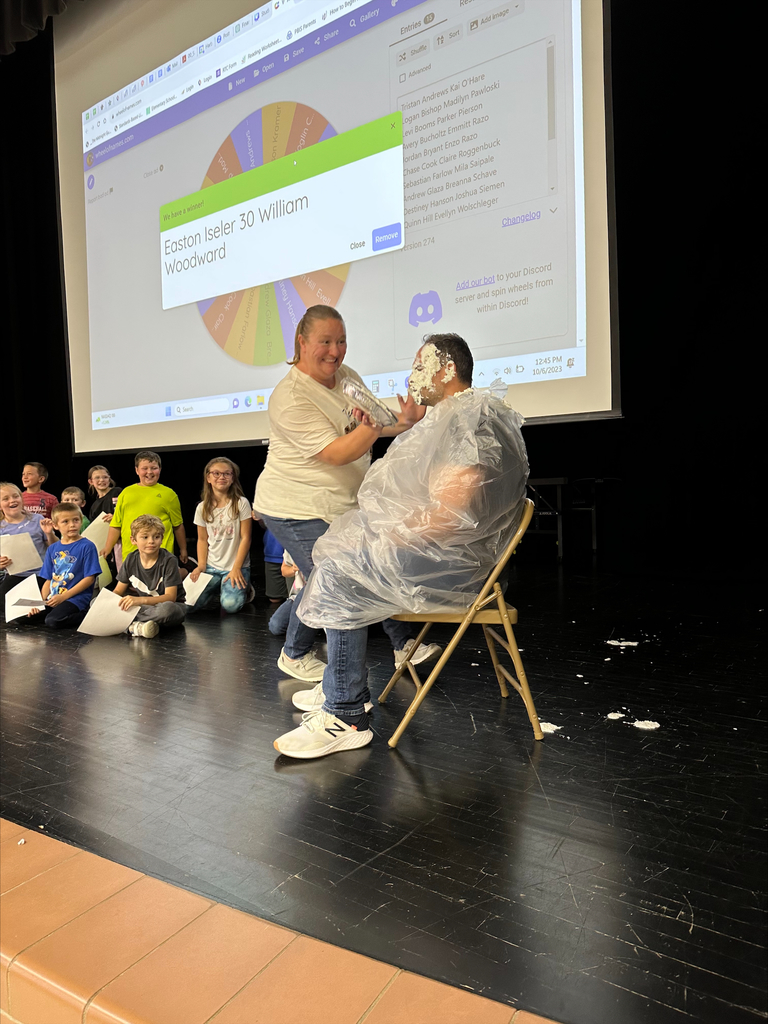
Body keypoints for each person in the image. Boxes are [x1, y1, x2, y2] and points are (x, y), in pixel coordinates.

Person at [273, 334, 530, 758]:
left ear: (446, 370)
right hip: (453, 556)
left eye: (418, 365)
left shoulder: (471, 423)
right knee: (341, 555)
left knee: (342, 569)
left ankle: (346, 713)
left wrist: (385, 536)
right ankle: (342, 686)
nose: (411, 376)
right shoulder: (461, 416)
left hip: (457, 567)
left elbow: (450, 516)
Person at [253, 304, 440, 684]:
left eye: (341, 341)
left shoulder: (347, 377)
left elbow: (372, 421)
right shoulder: (289, 396)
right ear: (302, 342)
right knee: (341, 585)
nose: (334, 351)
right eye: (325, 342)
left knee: (342, 575)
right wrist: (375, 427)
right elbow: (336, 453)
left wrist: (402, 422)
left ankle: (300, 652)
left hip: (338, 506)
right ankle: (343, 699)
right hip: (294, 507)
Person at [100, 451, 188, 571]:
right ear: (137, 470)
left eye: (154, 468)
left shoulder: (169, 494)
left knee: (162, 586)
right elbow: (116, 525)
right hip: (131, 555)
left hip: (160, 555)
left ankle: (181, 573)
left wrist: (183, 549)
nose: (149, 472)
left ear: (160, 469)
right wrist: (107, 548)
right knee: (133, 587)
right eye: (144, 468)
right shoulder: (126, 493)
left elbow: (177, 525)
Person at [188, 457, 254, 614]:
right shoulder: (202, 508)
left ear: (232, 478)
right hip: (212, 566)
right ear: (208, 478)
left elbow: (246, 538)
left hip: (236, 566)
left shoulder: (241, 503)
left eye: (226, 474)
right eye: (216, 473)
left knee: (230, 605)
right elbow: (202, 540)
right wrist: (201, 565)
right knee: (187, 605)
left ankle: (245, 588)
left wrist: (237, 568)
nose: (221, 477)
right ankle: (219, 586)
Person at [25, 502, 101, 630]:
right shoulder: (53, 548)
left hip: (75, 598)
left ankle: (87, 614)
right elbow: (49, 579)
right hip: (54, 597)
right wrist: (41, 602)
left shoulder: (87, 546)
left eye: (75, 520)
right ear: (55, 525)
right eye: (65, 521)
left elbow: (89, 578)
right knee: (24, 618)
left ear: (81, 521)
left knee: (53, 621)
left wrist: (63, 597)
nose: (72, 525)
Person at [114, 514, 187, 638]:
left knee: (167, 610)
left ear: (162, 538)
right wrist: (107, 603)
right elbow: (118, 590)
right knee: (95, 602)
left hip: (167, 606)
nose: (151, 541)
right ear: (133, 540)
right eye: (145, 537)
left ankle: (128, 624)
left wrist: (139, 600)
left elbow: (170, 597)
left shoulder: (169, 560)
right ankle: (141, 626)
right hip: (143, 608)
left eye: (156, 537)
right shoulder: (131, 559)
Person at [0, 482, 56, 612]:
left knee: (31, 610)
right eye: (5, 499)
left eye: (15, 496)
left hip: (40, 575)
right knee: (8, 609)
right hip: (15, 575)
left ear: (21, 498)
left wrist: (49, 533)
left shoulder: (37, 519)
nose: (12, 501)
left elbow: (55, 547)